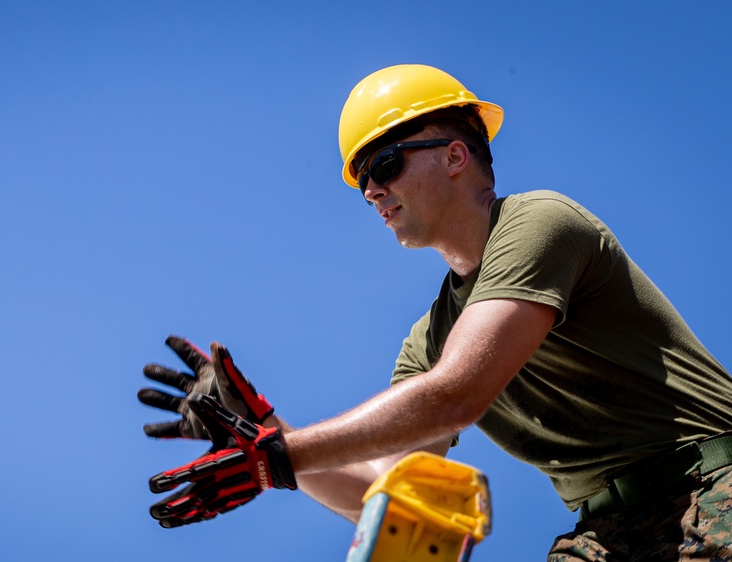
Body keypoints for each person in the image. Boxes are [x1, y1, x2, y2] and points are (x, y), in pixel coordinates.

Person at [139, 64, 732, 560]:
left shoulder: (541, 223)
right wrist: (266, 432)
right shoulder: (431, 339)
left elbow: (457, 394)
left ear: (454, 156)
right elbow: (383, 492)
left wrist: (277, 457)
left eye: (386, 164)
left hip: (711, 490)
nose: (371, 189)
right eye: (362, 180)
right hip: (614, 534)